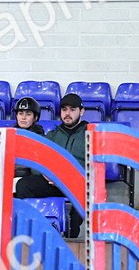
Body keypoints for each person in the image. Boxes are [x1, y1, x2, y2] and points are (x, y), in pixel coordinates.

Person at [15, 92, 87, 236]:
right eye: (64, 109)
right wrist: (47, 175)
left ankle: (72, 238)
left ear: (81, 111)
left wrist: (70, 177)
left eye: (72, 110)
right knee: (23, 185)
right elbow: (37, 162)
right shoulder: (52, 135)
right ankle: (27, 229)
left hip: (76, 183)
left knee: (83, 192)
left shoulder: (90, 135)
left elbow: (96, 166)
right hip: (53, 183)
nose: (67, 114)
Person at [0, 96, 45, 197]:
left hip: (26, 180)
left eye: (28, 114)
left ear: (35, 118)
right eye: (20, 113)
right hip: (4, 178)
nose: (23, 117)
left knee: (19, 186)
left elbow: (39, 169)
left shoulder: (41, 140)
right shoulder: (5, 136)